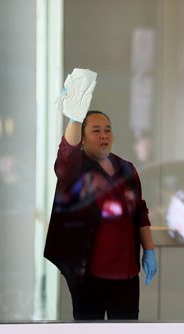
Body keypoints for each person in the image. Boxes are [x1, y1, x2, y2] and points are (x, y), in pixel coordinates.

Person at [44, 69, 157, 320]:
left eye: (108, 129)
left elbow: (140, 213)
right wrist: (75, 116)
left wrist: (149, 249)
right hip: (88, 275)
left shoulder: (127, 168)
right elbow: (66, 155)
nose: (104, 135)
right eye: (96, 130)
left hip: (126, 274)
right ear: (83, 138)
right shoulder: (76, 168)